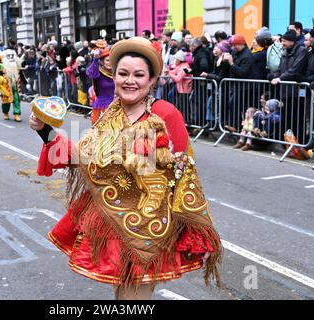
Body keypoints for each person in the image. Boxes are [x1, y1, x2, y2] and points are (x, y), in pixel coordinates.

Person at [29, 36, 222, 300]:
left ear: (152, 80)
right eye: (123, 73)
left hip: (151, 228)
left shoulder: (165, 113)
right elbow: (84, 157)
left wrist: (200, 228)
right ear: (114, 75)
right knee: (122, 294)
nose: (130, 80)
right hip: (114, 221)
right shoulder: (110, 113)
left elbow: (185, 174)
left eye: (139, 75)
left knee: (133, 298)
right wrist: (45, 132)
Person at [87, 47, 115, 124]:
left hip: (117, 106)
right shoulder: (98, 73)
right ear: (102, 62)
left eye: (112, 60)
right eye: (107, 60)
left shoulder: (117, 73)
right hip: (102, 106)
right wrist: (95, 59)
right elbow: (91, 73)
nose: (110, 62)